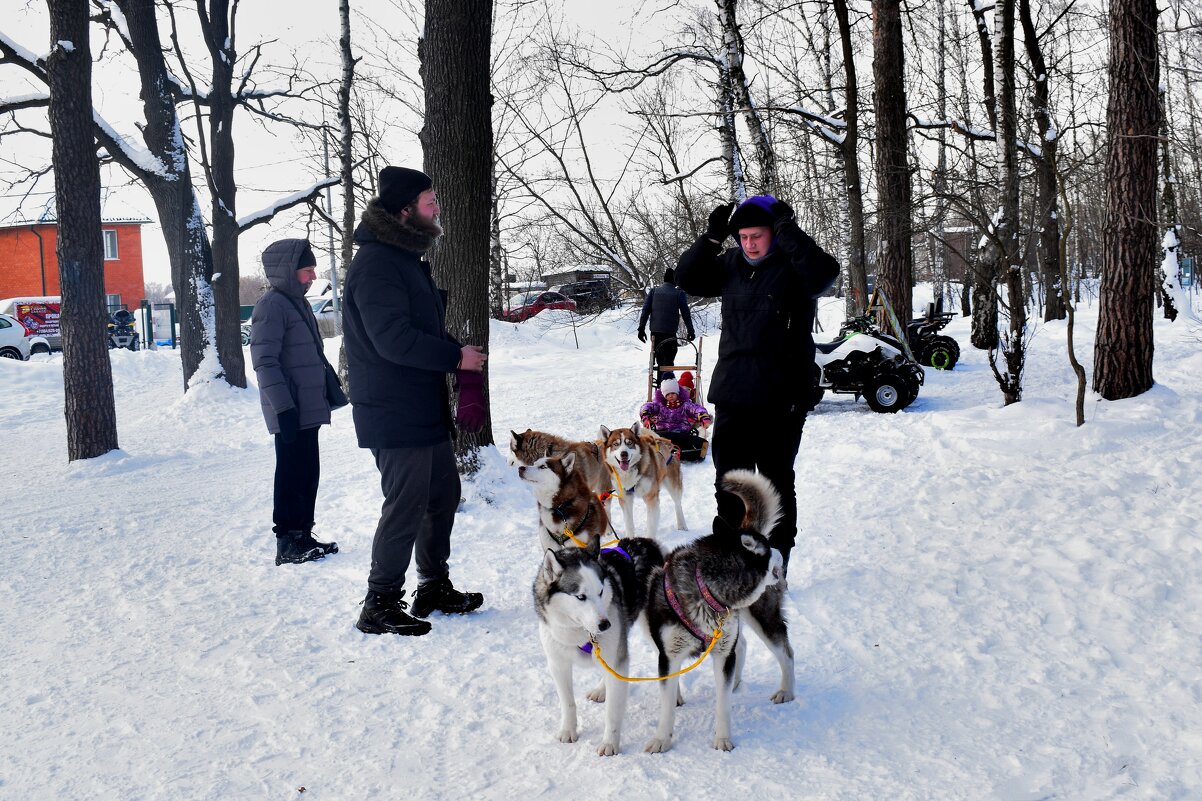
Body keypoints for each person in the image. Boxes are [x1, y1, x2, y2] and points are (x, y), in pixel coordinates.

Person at [343, 165, 488, 637]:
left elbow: (422, 328)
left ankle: (432, 587)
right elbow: (393, 340)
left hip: (421, 405)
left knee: (442, 495)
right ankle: (379, 602)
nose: (437, 208)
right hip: (391, 408)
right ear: (406, 211)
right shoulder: (377, 264)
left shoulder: (405, 260)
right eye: (430, 203)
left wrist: (458, 353)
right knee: (404, 504)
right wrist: (454, 357)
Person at [674, 195, 839, 566]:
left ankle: (777, 559)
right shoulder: (729, 264)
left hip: (782, 397)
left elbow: (824, 272)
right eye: (743, 236)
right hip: (734, 391)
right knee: (731, 481)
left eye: (758, 235)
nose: (749, 243)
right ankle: (732, 557)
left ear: (773, 235)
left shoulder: (795, 267)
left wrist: (787, 230)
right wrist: (712, 237)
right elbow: (686, 277)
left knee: (776, 481)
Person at [250, 238, 340, 566]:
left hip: (306, 406)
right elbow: (264, 361)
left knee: (307, 471)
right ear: (288, 271)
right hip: (289, 407)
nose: (314, 275)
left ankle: (302, 534)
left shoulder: (297, 303)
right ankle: (286, 542)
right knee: (290, 473)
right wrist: (283, 407)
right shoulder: (271, 305)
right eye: (307, 269)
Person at [637, 268, 695, 381]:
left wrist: (641, 329)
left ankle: (661, 388)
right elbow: (686, 314)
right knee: (668, 362)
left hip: (655, 334)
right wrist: (690, 330)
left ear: (664, 280)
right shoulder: (679, 293)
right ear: (675, 281)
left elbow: (645, 311)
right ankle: (668, 389)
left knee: (659, 362)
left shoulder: (653, 292)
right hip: (670, 333)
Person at [639, 377, 712, 461]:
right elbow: (647, 406)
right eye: (668, 394)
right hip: (662, 434)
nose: (671, 396)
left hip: (680, 433)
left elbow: (696, 409)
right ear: (664, 395)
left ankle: (685, 452)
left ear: (677, 393)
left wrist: (703, 416)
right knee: (649, 438)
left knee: (692, 442)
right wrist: (645, 415)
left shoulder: (685, 404)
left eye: (673, 393)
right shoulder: (659, 405)